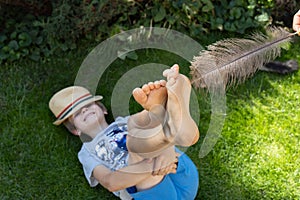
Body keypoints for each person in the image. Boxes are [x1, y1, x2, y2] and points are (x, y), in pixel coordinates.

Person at [49, 64, 199, 200]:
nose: (85, 110)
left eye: (88, 105)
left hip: (180, 170)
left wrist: (167, 153)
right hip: (155, 190)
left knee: (137, 122)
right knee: (134, 140)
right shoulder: (86, 153)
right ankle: (168, 121)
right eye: (77, 114)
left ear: (103, 109)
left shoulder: (123, 121)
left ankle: (165, 112)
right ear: (75, 130)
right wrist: (152, 166)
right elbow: (110, 182)